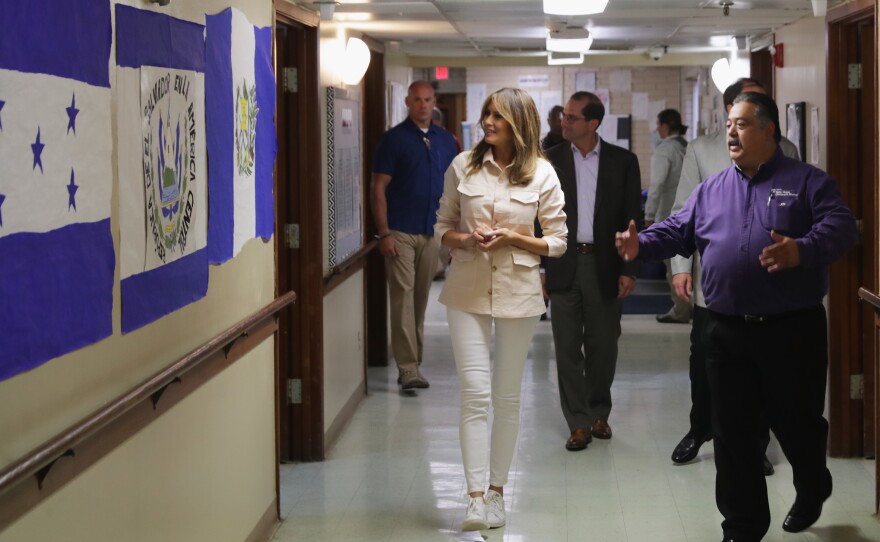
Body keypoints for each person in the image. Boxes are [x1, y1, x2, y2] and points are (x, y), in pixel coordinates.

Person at [615, 92, 857, 541]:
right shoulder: (711, 189)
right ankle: (742, 528)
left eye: (742, 124)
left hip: (791, 331)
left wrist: (799, 250)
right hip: (725, 331)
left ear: (769, 131)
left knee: (797, 424)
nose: (731, 131)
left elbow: (841, 228)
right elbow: (677, 230)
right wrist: (641, 244)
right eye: (729, 123)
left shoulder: (807, 181)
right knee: (733, 435)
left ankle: (812, 484)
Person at [434, 87, 567, 532]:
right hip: (467, 290)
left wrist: (512, 238)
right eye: (487, 113)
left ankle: (497, 492)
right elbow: (442, 229)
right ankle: (473, 499)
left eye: (499, 117)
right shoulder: (462, 167)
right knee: (474, 393)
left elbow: (558, 242)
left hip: (519, 292)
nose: (488, 122)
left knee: (506, 398)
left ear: (519, 123)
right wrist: (468, 240)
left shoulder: (543, 174)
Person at [668, 78, 802, 472]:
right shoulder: (703, 151)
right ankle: (699, 429)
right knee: (704, 363)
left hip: (767, 288)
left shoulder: (786, 151)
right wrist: (680, 267)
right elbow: (681, 214)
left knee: (759, 370)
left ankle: (754, 443)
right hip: (714, 288)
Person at [543, 91, 641, 451]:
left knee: (603, 346)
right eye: (564, 116)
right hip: (562, 261)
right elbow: (538, 220)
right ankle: (578, 422)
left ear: (593, 123)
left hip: (605, 263)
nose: (563, 122)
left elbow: (633, 218)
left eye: (571, 118)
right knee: (566, 347)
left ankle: (600, 412)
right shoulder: (548, 161)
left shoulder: (623, 162)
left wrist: (630, 268)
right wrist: (540, 268)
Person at [371, 80, 458, 390]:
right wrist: (384, 234)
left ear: (434, 102)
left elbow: (455, 187)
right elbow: (378, 187)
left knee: (421, 298)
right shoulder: (393, 140)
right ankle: (407, 368)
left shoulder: (446, 140)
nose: (423, 105)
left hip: (433, 231)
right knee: (403, 297)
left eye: (427, 100)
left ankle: (415, 361)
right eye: (417, 100)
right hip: (400, 231)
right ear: (408, 102)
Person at [645, 108, 691, 324]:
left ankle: (681, 310)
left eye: (659, 124)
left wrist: (649, 214)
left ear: (665, 126)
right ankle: (689, 307)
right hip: (691, 213)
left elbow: (656, 185)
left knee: (673, 265)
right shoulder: (688, 146)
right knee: (690, 264)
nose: (657, 129)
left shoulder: (665, 150)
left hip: (670, 214)